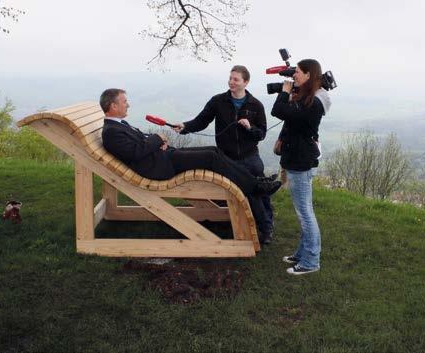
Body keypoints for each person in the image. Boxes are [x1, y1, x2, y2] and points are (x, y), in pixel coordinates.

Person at [100, 88, 282, 200]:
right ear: (113, 106)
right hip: (160, 167)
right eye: (124, 102)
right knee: (211, 157)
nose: (128, 105)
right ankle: (256, 188)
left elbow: (140, 143)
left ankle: (256, 181)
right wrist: (158, 139)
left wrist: (158, 142)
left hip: (163, 156)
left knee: (214, 151)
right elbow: (134, 152)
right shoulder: (111, 132)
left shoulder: (118, 126)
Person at [171, 65, 275, 244]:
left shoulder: (256, 105)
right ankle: (233, 219)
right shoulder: (218, 101)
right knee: (249, 187)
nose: (231, 82)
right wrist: (185, 127)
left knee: (257, 189)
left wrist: (250, 128)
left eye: (236, 79)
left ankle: (266, 227)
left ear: (245, 82)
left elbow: (262, 134)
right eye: (230, 78)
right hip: (226, 157)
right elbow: (201, 121)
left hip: (250, 156)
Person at [270, 59, 331, 275]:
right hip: (297, 158)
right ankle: (302, 254)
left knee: (305, 213)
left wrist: (285, 91)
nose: (293, 75)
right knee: (304, 211)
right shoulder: (308, 99)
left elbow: (278, 110)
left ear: (308, 75)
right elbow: (289, 116)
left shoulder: (313, 103)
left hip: (301, 161)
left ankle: (311, 262)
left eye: (297, 72)